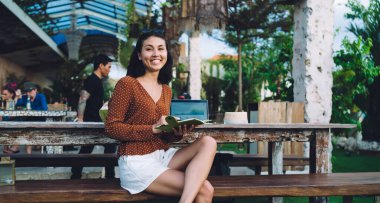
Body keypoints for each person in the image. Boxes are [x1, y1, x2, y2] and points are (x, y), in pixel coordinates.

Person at [105, 31, 217, 203]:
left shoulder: (166, 90)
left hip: (162, 155)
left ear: (166, 54)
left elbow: (163, 134)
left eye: (161, 49)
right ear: (139, 56)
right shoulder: (127, 84)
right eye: (149, 49)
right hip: (136, 161)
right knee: (205, 190)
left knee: (208, 142)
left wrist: (177, 132)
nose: (156, 54)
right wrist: (153, 128)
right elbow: (112, 127)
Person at [71, 54, 117, 179]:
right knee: (109, 146)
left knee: (89, 148)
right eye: (108, 66)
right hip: (92, 121)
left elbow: (94, 101)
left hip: (97, 120)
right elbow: (83, 98)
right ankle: (109, 176)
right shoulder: (92, 80)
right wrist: (80, 119)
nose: (109, 69)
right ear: (101, 66)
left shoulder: (98, 81)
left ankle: (76, 172)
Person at [1, 86, 20, 154]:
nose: (3, 96)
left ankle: (15, 146)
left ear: (11, 94)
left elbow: (12, 115)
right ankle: (7, 146)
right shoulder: (3, 103)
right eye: (3, 94)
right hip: (6, 123)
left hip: (14, 123)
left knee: (14, 125)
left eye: (5, 94)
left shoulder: (16, 102)